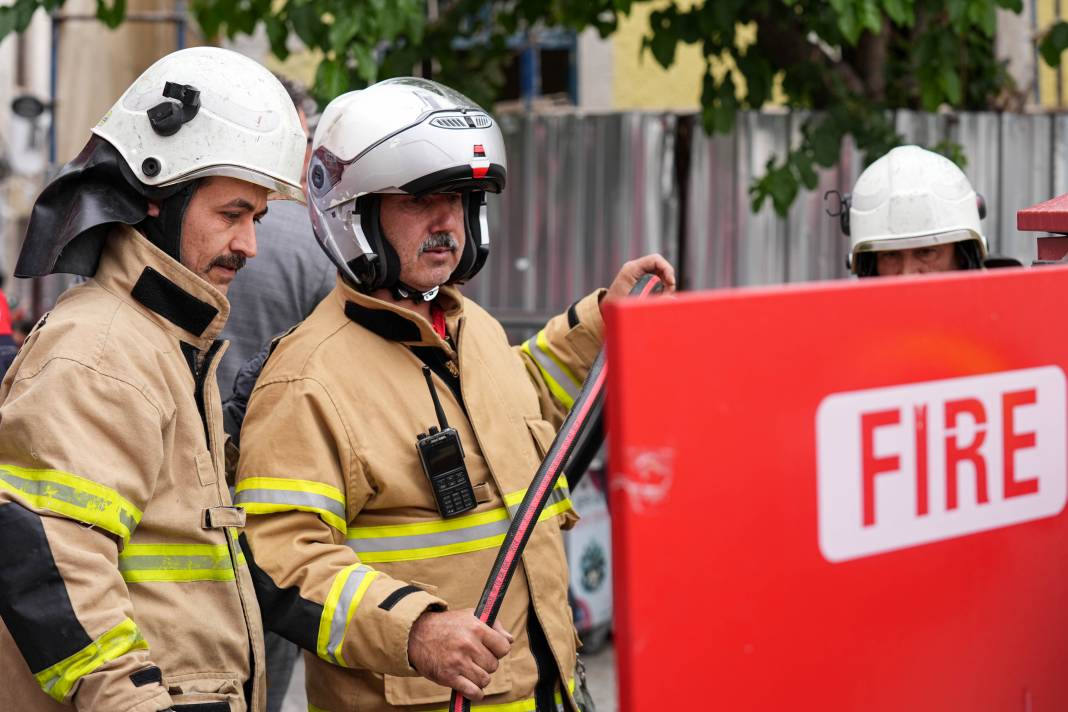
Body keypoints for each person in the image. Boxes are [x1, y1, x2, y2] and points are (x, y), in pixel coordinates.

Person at [235, 78, 674, 712]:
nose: (448, 222)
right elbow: (283, 562)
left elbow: (517, 407)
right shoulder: (308, 378)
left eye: (462, 199)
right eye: (421, 200)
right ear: (353, 211)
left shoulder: (472, 328)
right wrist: (414, 630)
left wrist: (600, 323)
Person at [0, 47, 305, 712]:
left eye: (258, 218)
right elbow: (54, 567)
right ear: (156, 202)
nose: (249, 245)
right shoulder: (101, 348)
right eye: (231, 214)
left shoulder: (166, 342)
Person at [214, 75, 333, 712]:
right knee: (263, 674)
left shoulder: (176, 223)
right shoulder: (319, 243)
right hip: (273, 501)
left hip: (172, 492)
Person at [844, 145, 988, 277]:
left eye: (926, 252)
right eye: (890, 255)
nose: (907, 275)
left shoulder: (1004, 303)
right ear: (870, 266)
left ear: (963, 256)